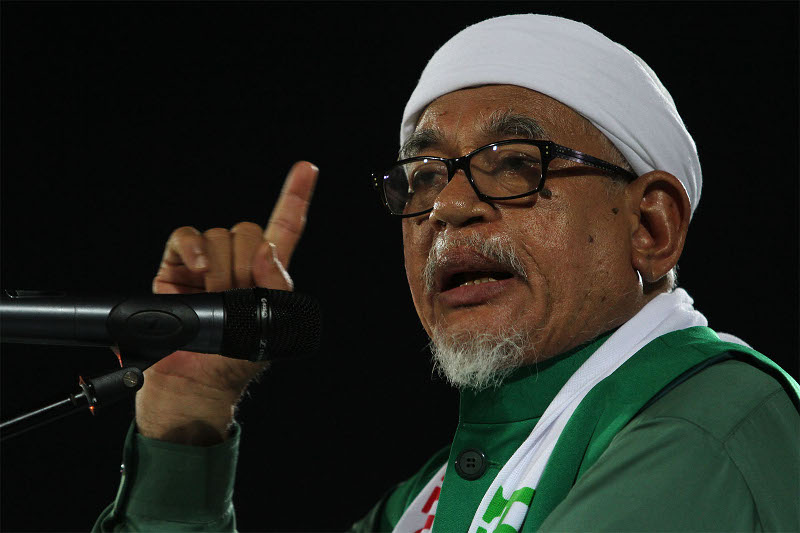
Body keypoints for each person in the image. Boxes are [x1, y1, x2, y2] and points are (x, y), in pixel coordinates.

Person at [94, 14, 799, 532]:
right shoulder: (423, 502)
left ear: (652, 228)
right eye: (423, 175)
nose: (450, 207)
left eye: (519, 162)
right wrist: (186, 426)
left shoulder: (709, 427)